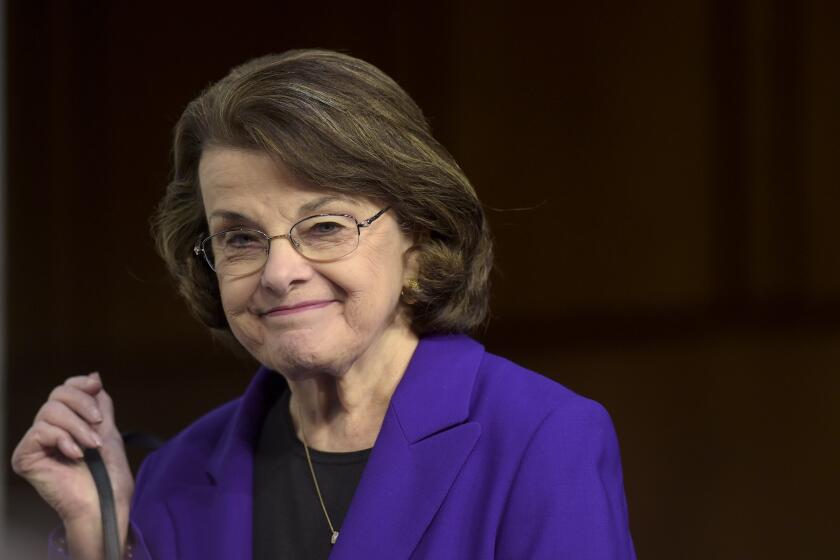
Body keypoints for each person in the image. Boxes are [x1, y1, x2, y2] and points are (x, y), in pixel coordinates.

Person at [12, 49, 636, 559]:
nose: (280, 274)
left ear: (417, 239)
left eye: (326, 227)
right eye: (239, 238)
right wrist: (99, 539)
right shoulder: (175, 474)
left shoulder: (542, 437)